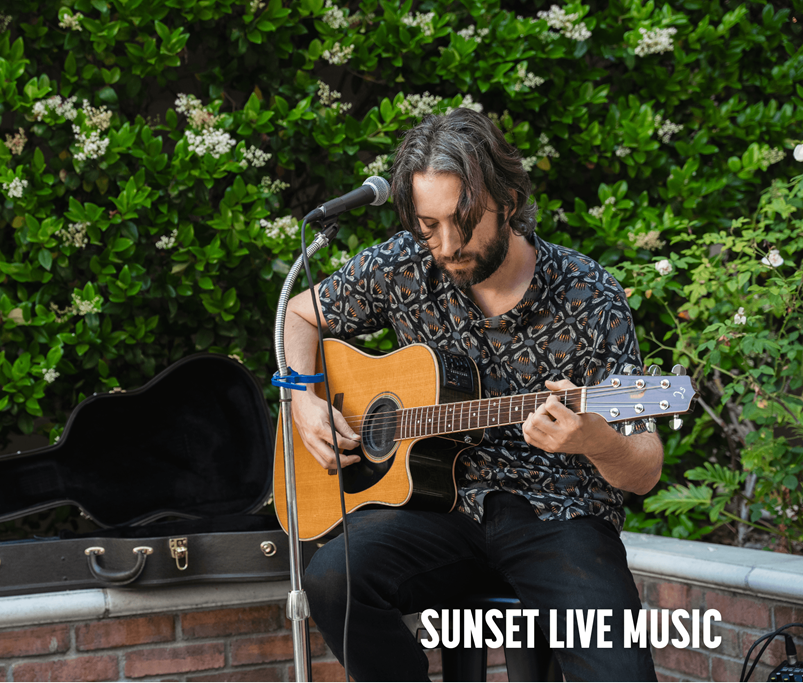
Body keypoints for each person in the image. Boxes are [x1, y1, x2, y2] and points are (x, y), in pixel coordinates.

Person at [283, 108, 661, 681]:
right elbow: (298, 315)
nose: (447, 244)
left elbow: (645, 470)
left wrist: (595, 441)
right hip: (438, 511)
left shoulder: (588, 295)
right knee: (334, 576)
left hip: (558, 515)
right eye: (429, 225)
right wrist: (304, 397)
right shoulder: (405, 266)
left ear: (507, 201)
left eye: (462, 220)